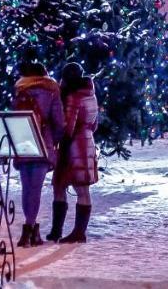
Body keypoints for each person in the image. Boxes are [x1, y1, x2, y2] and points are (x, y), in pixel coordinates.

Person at [12, 60, 65, 248]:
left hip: (23, 142)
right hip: (43, 142)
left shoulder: (20, 89)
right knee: (36, 188)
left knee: (27, 188)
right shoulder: (51, 90)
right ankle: (29, 229)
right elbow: (59, 122)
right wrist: (54, 140)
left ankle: (31, 228)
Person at [49, 63, 98, 244]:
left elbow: (68, 127)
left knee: (65, 186)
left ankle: (65, 231)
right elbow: (95, 123)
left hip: (73, 147)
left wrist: (57, 141)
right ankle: (75, 231)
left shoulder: (73, 97)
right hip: (87, 142)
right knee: (78, 188)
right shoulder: (90, 94)